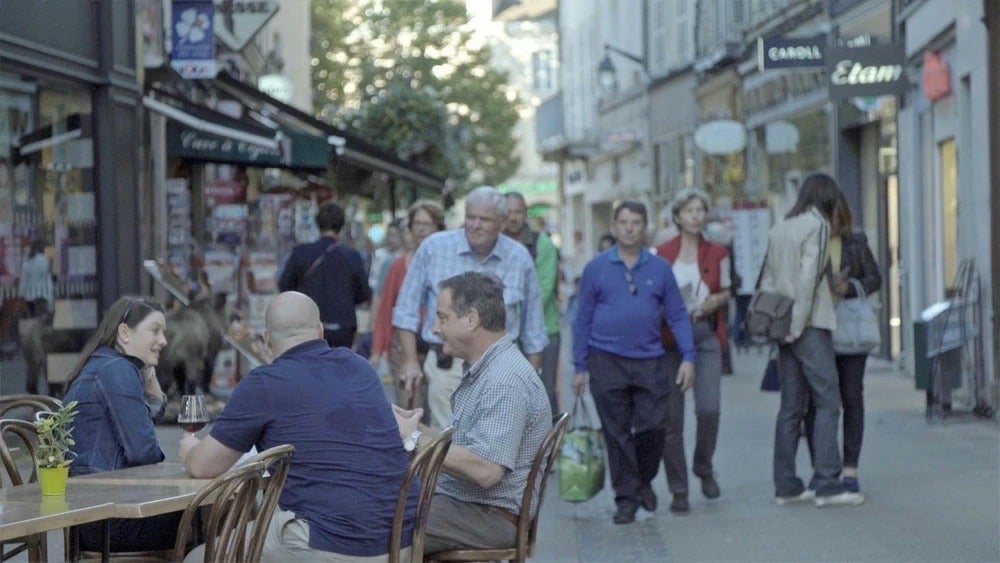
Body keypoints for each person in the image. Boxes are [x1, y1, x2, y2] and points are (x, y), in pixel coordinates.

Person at [180, 291, 415, 561]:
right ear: (320, 330)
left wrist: (189, 450)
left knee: (196, 558)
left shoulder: (263, 384)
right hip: (399, 543)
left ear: (267, 339)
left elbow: (204, 466)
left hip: (329, 544)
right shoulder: (359, 367)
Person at [391, 272, 551, 553]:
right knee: (376, 506)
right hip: (470, 506)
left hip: (488, 516)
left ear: (471, 319)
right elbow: (468, 447)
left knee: (376, 523)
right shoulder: (491, 368)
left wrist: (414, 439)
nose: (434, 329)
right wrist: (413, 427)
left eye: (442, 318)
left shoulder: (503, 380)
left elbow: (486, 470)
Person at [573, 200, 696, 525]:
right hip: (605, 360)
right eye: (624, 222)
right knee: (616, 433)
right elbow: (582, 318)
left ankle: (642, 480)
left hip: (649, 361)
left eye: (636, 222)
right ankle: (626, 498)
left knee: (653, 428)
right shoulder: (596, 267)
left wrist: (688, 357)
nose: (629, 228)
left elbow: (677, 314)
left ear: (645, 228)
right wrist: (579, 366)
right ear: (614, 227)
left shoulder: (660, 268)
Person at [393, 186, 547, 430]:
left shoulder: (519, 258)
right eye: (470, 217)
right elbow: (405, 311)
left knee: (494, 439)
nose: (475, 225)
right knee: (447, 439)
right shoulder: (434, 248)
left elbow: (534, 330)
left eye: (483, 219)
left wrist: (532, 376)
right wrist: (410, 360)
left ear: (501, 222)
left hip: (503, 370)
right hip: (447, 365)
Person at [759, 172, 864, 507]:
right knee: (828, 400)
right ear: (828, 199)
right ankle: (827, 482)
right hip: (810, 324)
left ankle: (786, 485)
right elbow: (807, 281)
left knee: (790, 407)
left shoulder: (781, 227)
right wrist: (798, 323)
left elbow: (769, 278)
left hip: (782, 324)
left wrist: (780, 325)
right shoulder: (817, 226)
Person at [62, 296, 176, 553]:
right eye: (155, 330)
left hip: (92, 516)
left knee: (210, 510)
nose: (163, 341)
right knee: (222, 508)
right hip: (111, 520)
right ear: (124, 333)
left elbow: (137, 424)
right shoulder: (117, 369)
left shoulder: (102, 364)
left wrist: (150, 381)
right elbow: (144, 453)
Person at [656, 189, 731, 513]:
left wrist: (718, 299)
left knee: (709, 408)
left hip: (705, 334)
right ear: (677, 216)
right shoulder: (661, 254)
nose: (696, 216)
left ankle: (703, 465)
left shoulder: (718, 252)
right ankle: (679, 488)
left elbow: (727, 289)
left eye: (700, 210)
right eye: (689, 211)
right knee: (672, 419)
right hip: (669, 339)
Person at [804, 192, 882, 494]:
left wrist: (847, 287)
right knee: (817, 400)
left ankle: (850, 468)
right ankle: (822, 468)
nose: (830, 221)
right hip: (817, 328)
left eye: (833, 215)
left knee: (851, 396)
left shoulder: (856, 243)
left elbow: (875, 278)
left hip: (849, 328)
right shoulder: (809, 241)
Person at [370, 200, 447, 410]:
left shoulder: (447, 261)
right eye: (417, 224)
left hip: (439, 345)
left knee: (437, 406)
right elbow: (385, 308)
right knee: (410, 407)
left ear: (438, 227)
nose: (421, 229)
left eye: (427, 224)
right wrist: (377, 349)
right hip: (403, 345)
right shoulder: (397, 264)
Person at [278, 202, 371, 348]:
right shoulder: (352, 256)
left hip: (309, 325)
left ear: (317, 224)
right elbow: (364, 294)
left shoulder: (301, 253)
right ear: (341, 226)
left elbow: (284, 286)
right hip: (343, 326)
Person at [504, 191, 561, 415]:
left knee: (543, 394)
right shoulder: (496, 244)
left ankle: (549, 438)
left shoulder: (541, 243)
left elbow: (544, 289)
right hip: (506, 335)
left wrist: (509, 314)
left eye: (518, 212)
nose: (513, 217)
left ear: (525, 214)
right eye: (508, 212)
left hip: (544, 331)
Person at [17, 238, 53, 317]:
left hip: (29, 297)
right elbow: (48, 281)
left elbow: (23, 282)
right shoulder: (46, 261)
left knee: (33, 320)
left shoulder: (27, 262)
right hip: (43, 296)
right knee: (42, 321)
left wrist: (21, 296)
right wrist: (51, 301)